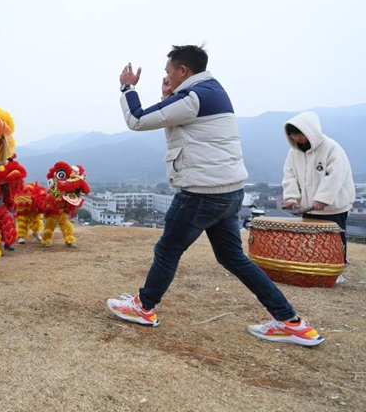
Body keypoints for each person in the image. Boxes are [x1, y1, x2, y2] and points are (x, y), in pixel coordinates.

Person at [106, 45, 324, 347]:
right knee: (233, 258)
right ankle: (291, 322)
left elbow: (138, 120)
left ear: (184, 71)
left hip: (201, 193)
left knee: (168, 250)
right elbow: (179, 122)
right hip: (230, 192)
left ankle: (144, 307)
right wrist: (169, 96)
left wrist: (127, 87)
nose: (166, 77)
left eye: (169, 72)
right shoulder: (212, 91)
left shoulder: (193, 97)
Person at [281, 111, 355, 266]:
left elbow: (335, 176)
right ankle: (314, 267)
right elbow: (290, 175)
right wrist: (291, 198)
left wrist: (322, 199)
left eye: (299, 134)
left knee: (334, 238)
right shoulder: (294, 152)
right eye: (293, 135)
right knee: (311, 240)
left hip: (333, 207)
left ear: (310, 130)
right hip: (309, 208)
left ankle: (338, 266)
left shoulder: (331, 147)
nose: (297, 138)